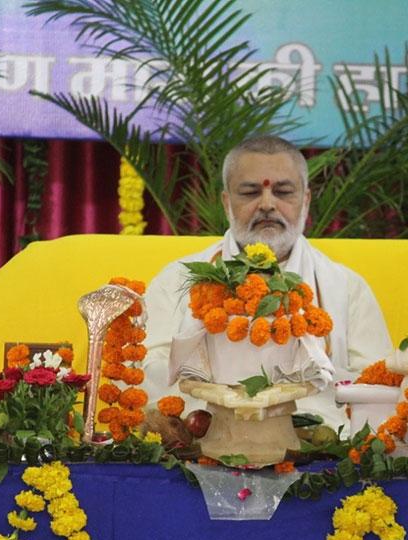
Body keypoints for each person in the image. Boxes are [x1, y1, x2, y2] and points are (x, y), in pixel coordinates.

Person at [142, 136, 391, 431]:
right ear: (226, 202)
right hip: (203, 442)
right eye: (249, 192)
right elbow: (146, 372)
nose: (268, 204)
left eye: (284, 192)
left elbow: (378, 384)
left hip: (321, 449)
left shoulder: (346, 288)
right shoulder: (177, 279)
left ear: (306, 201)